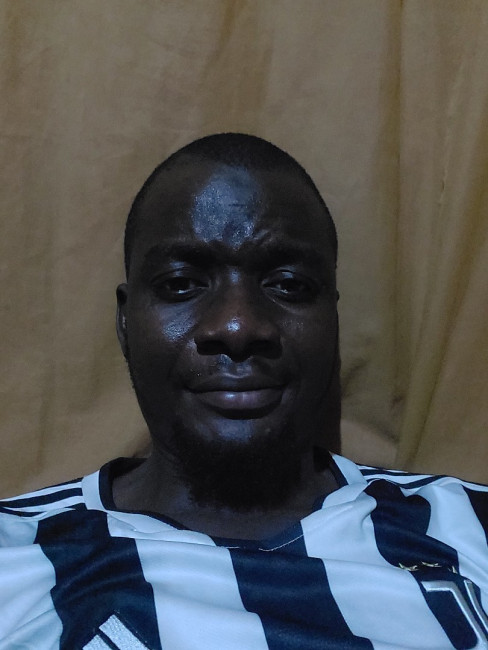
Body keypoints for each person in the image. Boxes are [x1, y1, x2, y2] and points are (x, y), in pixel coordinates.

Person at [0, 133, 487, 650]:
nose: (237, 326)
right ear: (125, 322)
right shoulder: (15, 557)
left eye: (289, 285)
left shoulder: (469, 529)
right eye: (181, 284)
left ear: (333, 319)